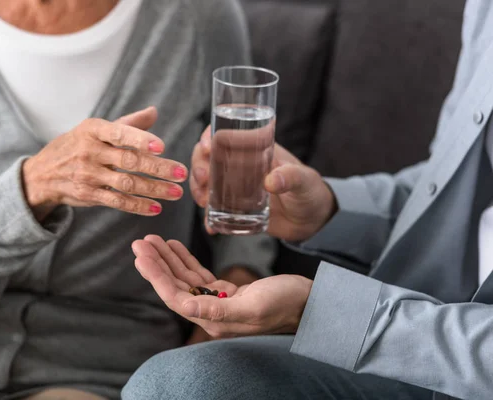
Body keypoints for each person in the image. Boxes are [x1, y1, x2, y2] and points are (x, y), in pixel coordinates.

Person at [0, 0, 276, 399]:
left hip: (101, 366)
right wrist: (32, 188)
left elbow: (244, 185)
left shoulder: (198, 17)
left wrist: (225, 314)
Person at [122, 1, 493, 399]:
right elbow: (458, 189)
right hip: (414, 349)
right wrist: (328, 211)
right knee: (175, 385)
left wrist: (327, 315)